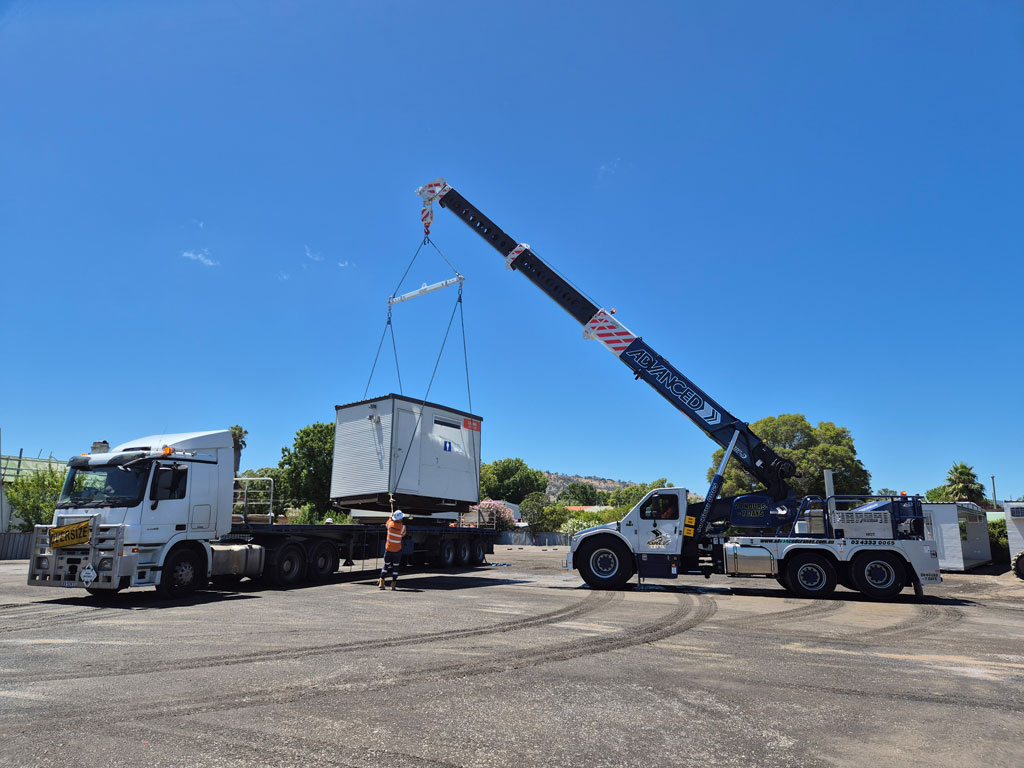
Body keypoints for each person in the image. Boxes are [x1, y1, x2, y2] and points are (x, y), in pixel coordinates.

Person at [378, 510, 406, 591]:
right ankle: (393, 584)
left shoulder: (390, 524)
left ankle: (381, 582)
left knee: (386, 565)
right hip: (397, 550)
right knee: (395, 566)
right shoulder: (403, 528)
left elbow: (388, 522)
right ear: (400, 519)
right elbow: (403, 534)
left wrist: (390, 517)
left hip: (388, 549)